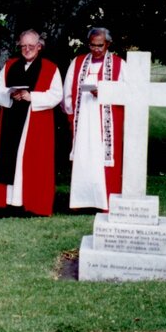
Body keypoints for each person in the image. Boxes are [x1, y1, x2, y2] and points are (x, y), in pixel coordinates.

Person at [0, 29, 63, 215]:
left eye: (31, 46)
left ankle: (31, 204)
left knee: (31, 162)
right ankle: (8, 204)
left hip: (35, 123)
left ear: (39, 46)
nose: (27, 49)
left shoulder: (50, 68)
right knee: (10, 159)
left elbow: (56, 95)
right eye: (23, 46)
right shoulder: (10, 65)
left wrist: (31, 96)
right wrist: (9, 94)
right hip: (11, 121)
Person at [63, 27, 126, 211]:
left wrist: (104, 92)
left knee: (102, 159)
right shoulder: (78, 62)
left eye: (100, 46)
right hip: (83, 121)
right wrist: (70, 114)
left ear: (108, 44)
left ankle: (105, 201)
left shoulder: (119, 64)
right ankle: (81, 202)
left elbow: (128, 92)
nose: (96, 49)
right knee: (84, 158)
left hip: (106, 122)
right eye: (92, 45)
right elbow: (68, 92)